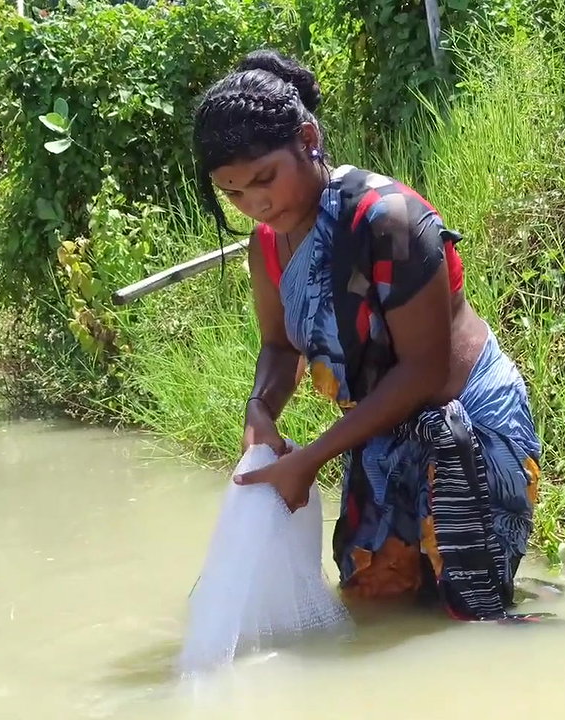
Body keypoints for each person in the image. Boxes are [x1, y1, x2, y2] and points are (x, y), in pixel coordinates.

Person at [192, 49, 544, 622]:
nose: (256, 202)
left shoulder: (391, 221)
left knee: (473, 614)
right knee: (374, 602)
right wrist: (261, 408)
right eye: (233, 192)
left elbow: (424, 371)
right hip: (380, 428)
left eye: (265, 179)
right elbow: (280, 345)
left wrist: (308, 460)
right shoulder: (267, 244)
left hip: (463, 420)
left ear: (308, 138)